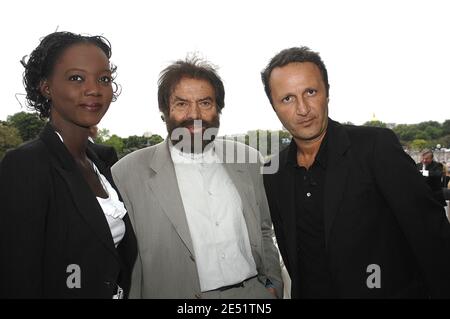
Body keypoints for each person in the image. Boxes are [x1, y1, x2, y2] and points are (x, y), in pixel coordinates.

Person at [260, 46, 450, 298]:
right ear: (274, 106)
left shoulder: (375, 148)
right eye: (287, 98)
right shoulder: (274, 172)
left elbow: (431, 236)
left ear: (327, 92)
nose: (303, 108)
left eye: (310, 91)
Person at [111, 57, 282, 299]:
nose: (195, 114)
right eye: (181, 104)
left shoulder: (249, 160)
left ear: (219, 109)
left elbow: (265, 230)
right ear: (164, 111)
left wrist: (272, 285)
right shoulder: (127, 173)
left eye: (205, 102)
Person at [0, 31, 137, 298]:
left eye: (104, 79)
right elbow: (17, 280)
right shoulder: (26, 166)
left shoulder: (102, 163)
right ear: (46, 87)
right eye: (76, 78)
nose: (94, 89)